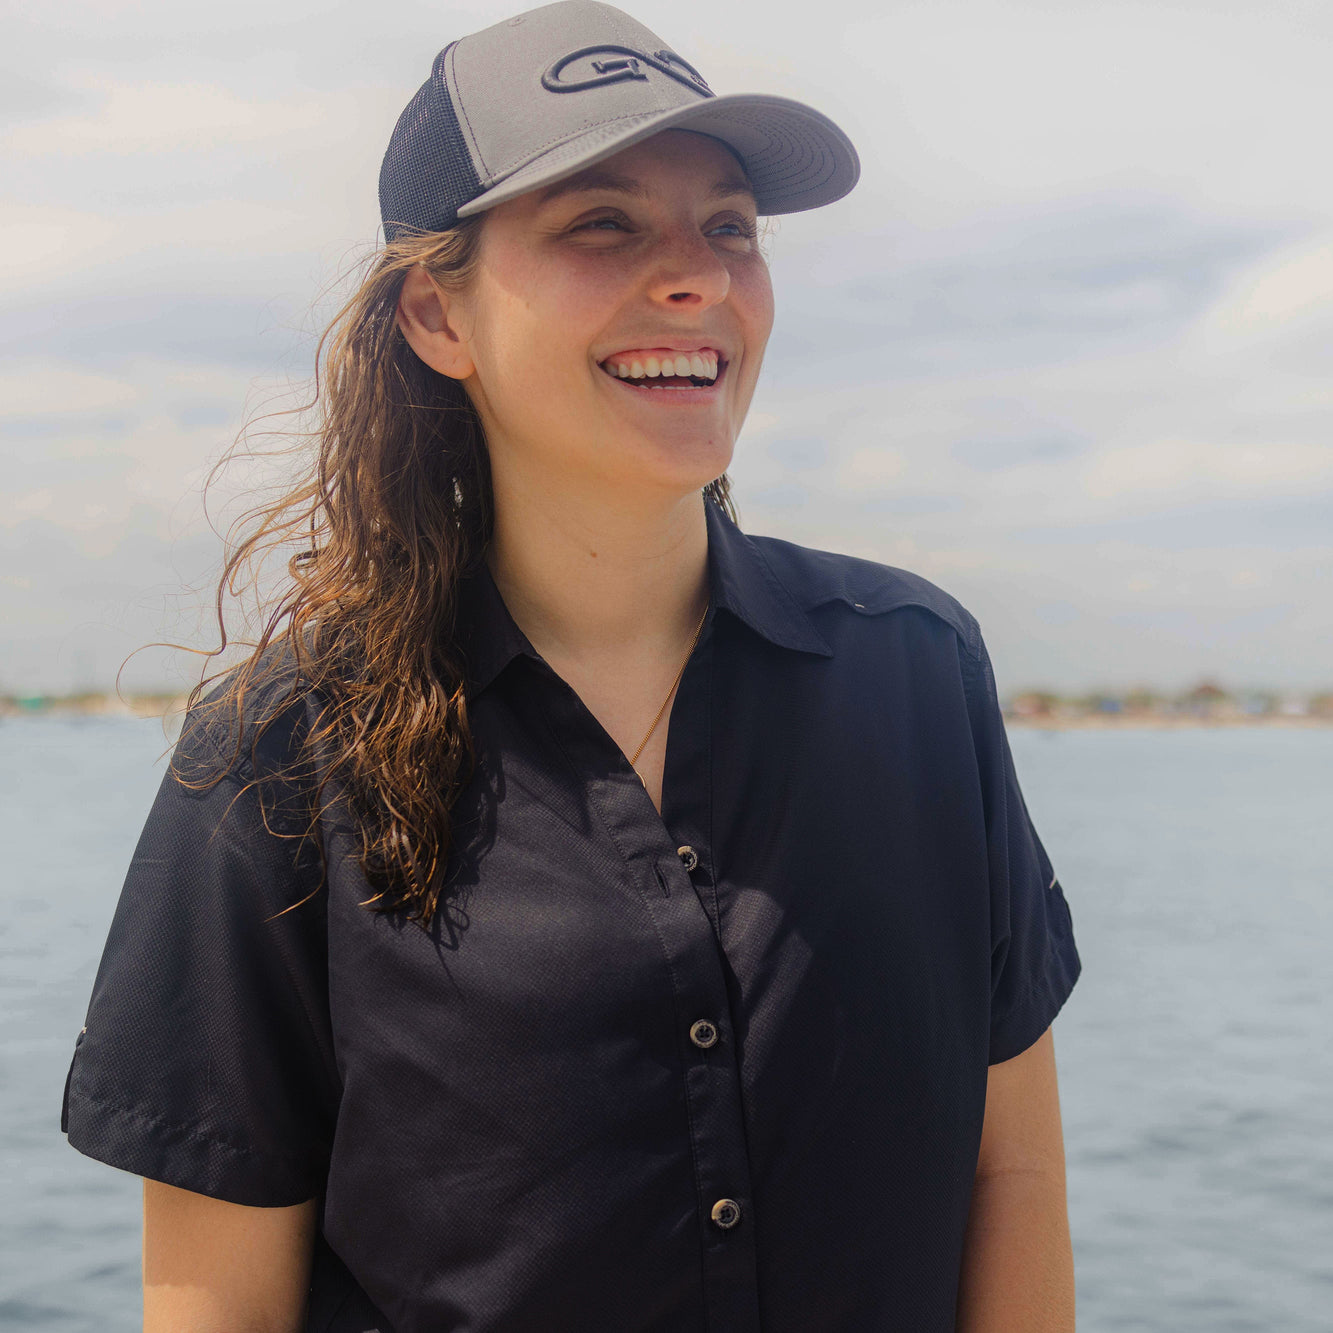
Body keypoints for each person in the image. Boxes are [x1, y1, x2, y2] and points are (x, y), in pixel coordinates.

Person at [61, 2, 1082, 1330]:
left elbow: (1008, 1166)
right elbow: (220, 1306)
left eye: (729, 227)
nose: (699, 278)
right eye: (603, 223)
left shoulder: (915, 674)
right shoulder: (274, 752)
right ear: (437, 311)